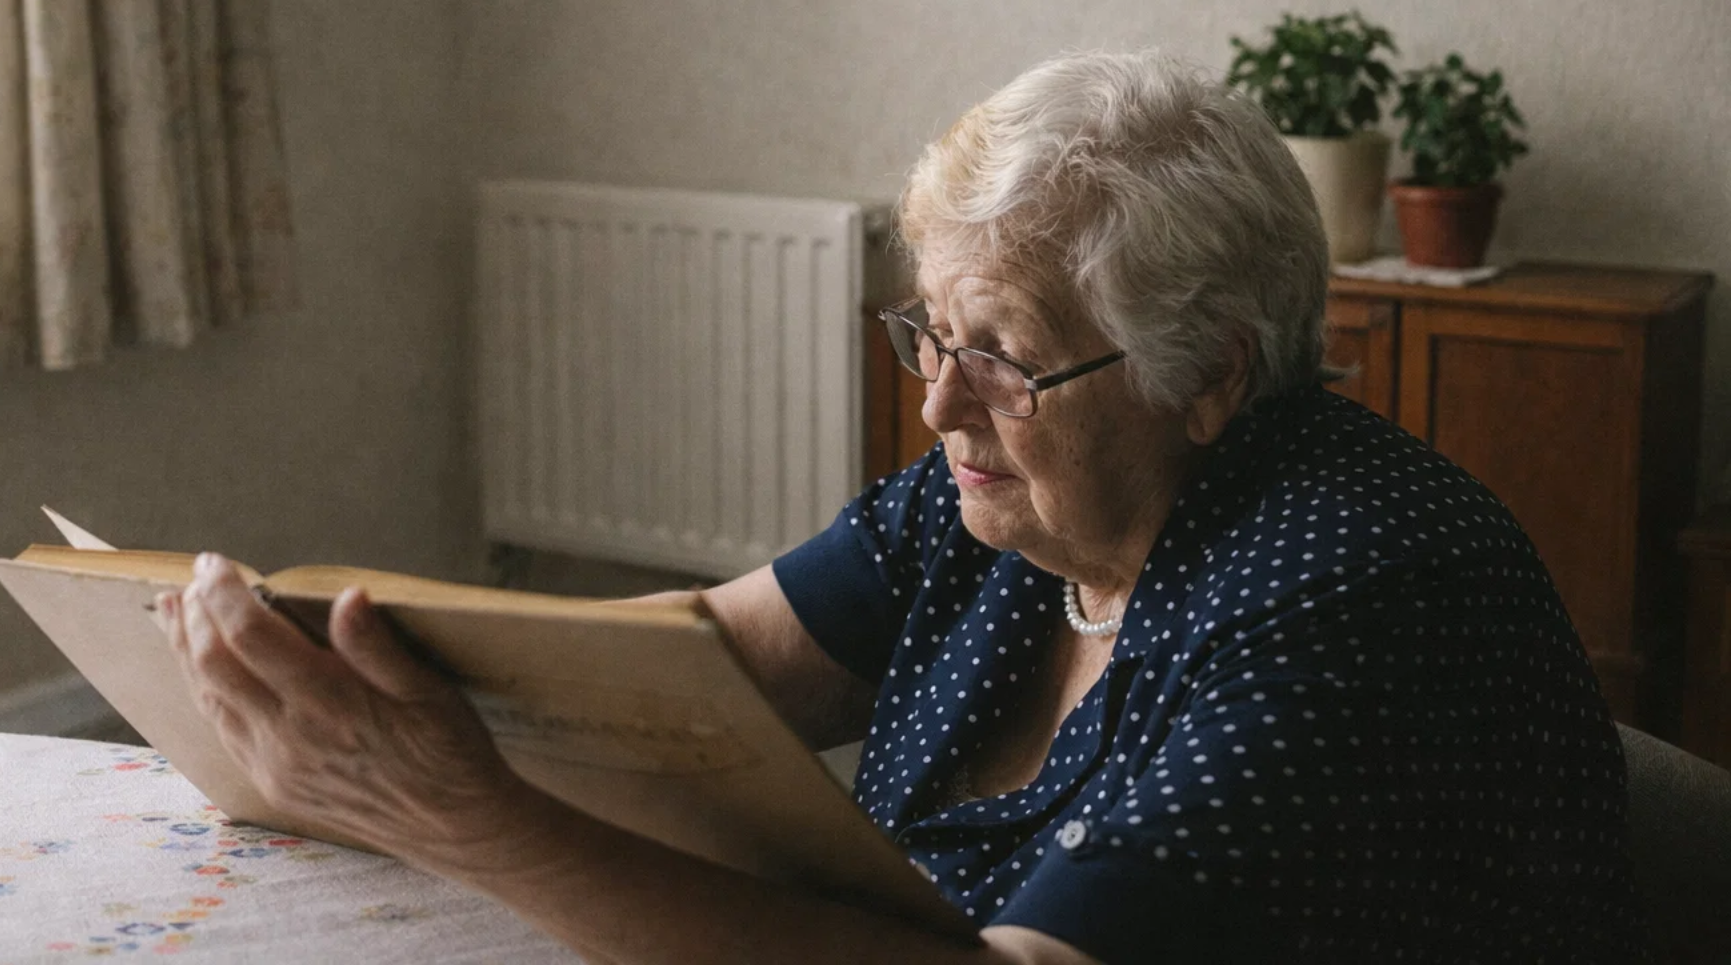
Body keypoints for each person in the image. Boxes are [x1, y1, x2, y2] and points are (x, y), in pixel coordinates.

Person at [157, 54, 1645, 963]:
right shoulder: (1012, 498)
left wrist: (463, 816)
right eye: (930, 335)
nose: (937, 405)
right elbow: (686, 664)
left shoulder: (1356, 593)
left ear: (1210, 378)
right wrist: (349, 659)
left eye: (998, 354)